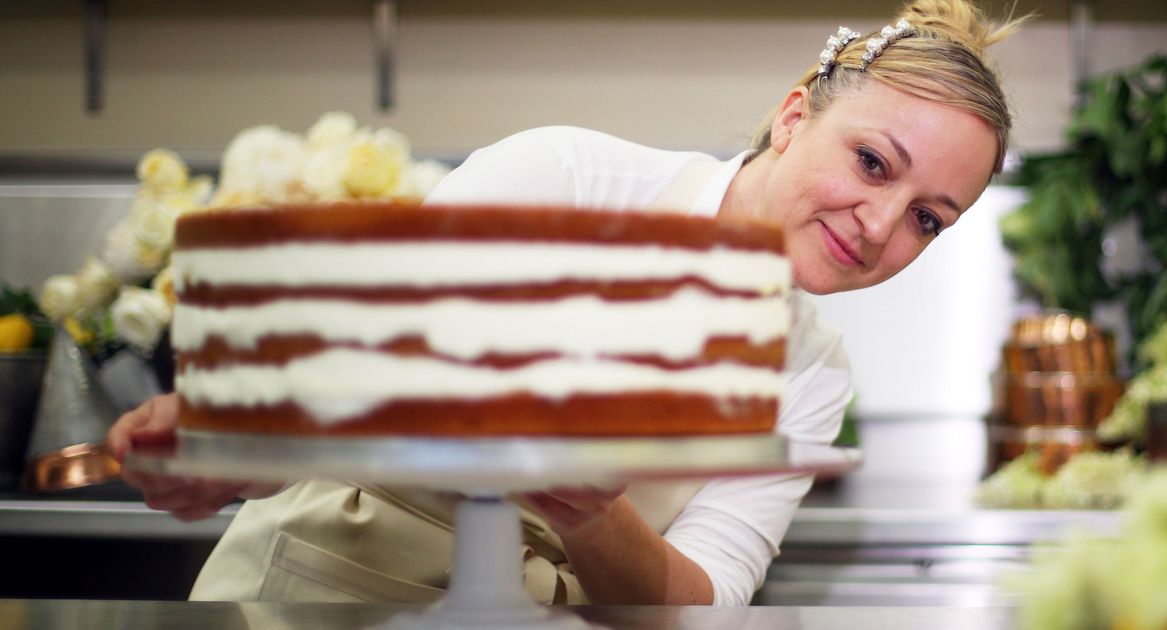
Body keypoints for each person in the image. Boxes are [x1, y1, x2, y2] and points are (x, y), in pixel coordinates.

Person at [108, 0, 1028, 607]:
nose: (879, 226)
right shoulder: (564, 177)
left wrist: (596, 518)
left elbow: (701, 606)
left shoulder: (811, 369)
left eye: (928, 219)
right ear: (794, 118)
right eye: (872, 162)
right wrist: (222, 443)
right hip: (314, 596)